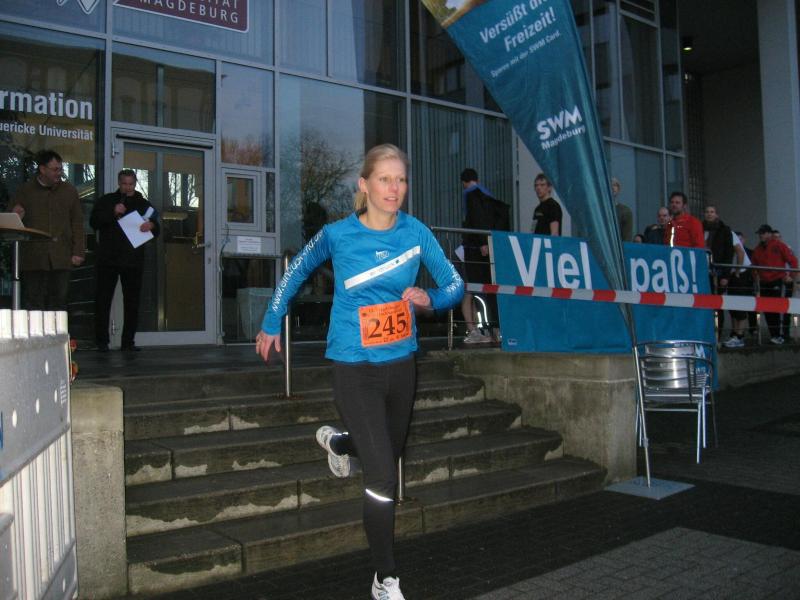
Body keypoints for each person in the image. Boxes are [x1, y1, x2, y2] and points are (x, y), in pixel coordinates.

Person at [256, 144, 463, 600]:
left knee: (391, 450)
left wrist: (431, 298)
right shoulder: (337, 235)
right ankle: (385, 578)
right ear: (364, 185)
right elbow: (294, 273)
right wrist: (272, 320)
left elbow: (455, 284)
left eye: (401, 180)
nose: (395, 188)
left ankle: (340, 441)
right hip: (354, 366)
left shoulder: (416, 233)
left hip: (401, 364)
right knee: (383, 475)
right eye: (385, 179)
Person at [90, 169, 160, 352]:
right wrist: (113, 212)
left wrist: (152, 225)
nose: (128, 188)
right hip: (108, 259)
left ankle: (128, 342)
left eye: (131, 184)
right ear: (119, 183)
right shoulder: (107, 201)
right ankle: (102, 342)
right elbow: (94, 222)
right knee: (103, 300)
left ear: (135, 184)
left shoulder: (143, 204)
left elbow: (157, 227)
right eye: (124, 184)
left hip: (133, 260)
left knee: (132, 302)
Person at [11, 149, 85, 310]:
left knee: (59, 303)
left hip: (62, 256)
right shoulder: (25, 190)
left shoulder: (69, 191)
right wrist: (16, 215)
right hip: (34, 258)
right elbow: (12, 221)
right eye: (55, 169)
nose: (59, 173)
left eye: (61, 169)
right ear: (42, 169)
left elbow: (77, 222)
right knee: (33, 303)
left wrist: (78, 251)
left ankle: (58, 328)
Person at [460, 167, 509, 343]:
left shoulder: (471, 195)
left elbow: (477, 219)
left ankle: (484, 330)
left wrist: (482, 242)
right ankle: (496, 328)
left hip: (475, 250)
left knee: (477, 290)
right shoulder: (487, 195)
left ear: (464, 183)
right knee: (491, 289)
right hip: (490, 246)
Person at [751, 224, 798, 344]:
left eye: (763, 233)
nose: (761, 235)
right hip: (764, 282)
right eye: (760, 233)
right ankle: (774, 335)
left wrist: (790, 276)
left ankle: (781, 335)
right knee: (768, 310)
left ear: (769, 234)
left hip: (777, 280)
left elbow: (793, 261)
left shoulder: (779, 245)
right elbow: (754, 266)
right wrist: (756, 278)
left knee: (778, 308)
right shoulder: (758, 249)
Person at [703, 205, 736, 336]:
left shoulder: (724, 230)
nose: (709, 214)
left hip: (718, 271)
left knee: (717, 303)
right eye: (707, 212)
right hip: (702, 271)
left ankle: (718, 333)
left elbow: (729, 253)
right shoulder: (700, 228)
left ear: (716, 214)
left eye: (712, 212)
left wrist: (726, 275)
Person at [723, 230, 753, 348]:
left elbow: (740, 253)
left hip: (740, 274)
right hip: (734, 274)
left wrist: (737, 271)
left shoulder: (729, 235)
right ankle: (735, 334)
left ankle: (739, 336)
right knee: (733, 307)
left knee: (740, 307)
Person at [611, 177, 633, 242]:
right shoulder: (598, 211)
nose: (612, 187)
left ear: (618, 189)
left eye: (615, 185)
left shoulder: (625, 211)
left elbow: (627, 237)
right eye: (610, 185)